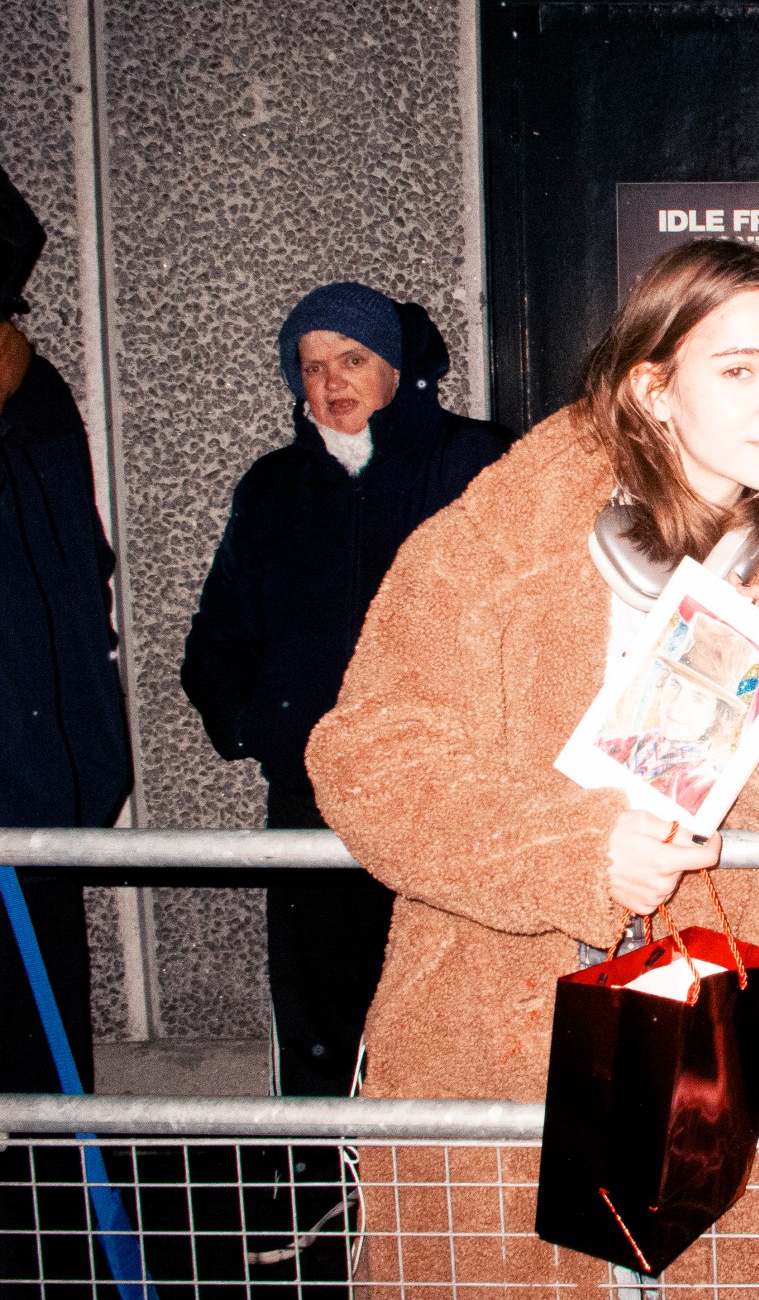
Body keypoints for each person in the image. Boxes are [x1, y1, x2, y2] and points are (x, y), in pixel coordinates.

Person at [306, 239, 759, 1294]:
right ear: (653, 388)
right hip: (501, 1002)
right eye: (739, 367)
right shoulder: (497, 538)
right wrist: (574, 849)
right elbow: (365, 754)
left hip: (713, 1001)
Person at [181, 282, 513, 1112]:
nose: (330, 382)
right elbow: (216, 642)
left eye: (352, 359)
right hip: (316, 795)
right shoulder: (272, 488)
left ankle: (434, 1215)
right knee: (321, 1015)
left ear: (395, 367)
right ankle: (315, 1190)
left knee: (450, 1009)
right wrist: (265, 730)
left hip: (452, 793)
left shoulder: (477, 463)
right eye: (311, 365)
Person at [0, 164, 133, 1287]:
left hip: (40, 798)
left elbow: (73, 583)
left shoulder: (39, 403)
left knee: (45, 1059)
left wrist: (89, 775)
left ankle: (62, 1259)